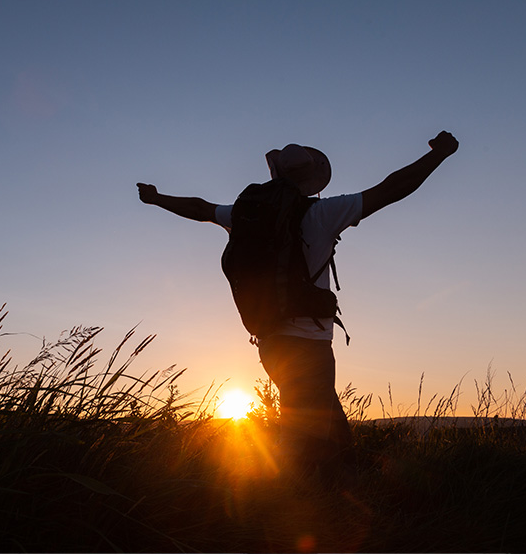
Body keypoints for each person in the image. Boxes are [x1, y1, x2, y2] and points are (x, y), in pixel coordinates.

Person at [137, 131, 459, 480]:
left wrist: (157, 198)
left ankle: (340, 486)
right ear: (311, 181)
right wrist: (438, 155)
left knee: (329, 431)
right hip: (309, 343)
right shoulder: (323, 213)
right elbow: (392, 188)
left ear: (276, 174)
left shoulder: (245, 214)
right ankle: (285, 496)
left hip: (269, 340)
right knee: (304, 443)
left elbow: (200, 209)